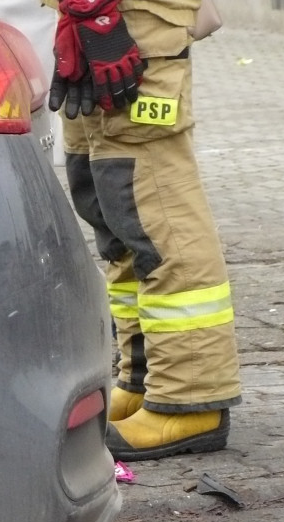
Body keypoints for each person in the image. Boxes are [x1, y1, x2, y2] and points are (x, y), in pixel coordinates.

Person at [42, 0, 240, 461]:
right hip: (91, 19)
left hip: (129, 23)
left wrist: (97, 12)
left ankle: (189, 395)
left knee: (156, 212)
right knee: (112, 210)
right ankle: (144, 375)